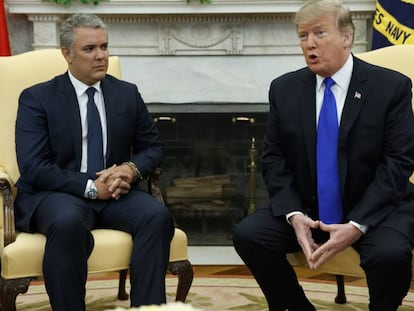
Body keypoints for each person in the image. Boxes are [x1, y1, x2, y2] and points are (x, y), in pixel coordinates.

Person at [233, 0, 414, 310]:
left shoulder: (391, 87)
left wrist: (357, 224)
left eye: (319, 33)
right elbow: (273, 159)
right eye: (303, 36)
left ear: (347, 37)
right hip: (309, 206)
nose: (310, 44)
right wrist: (294, 213)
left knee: (390, 255)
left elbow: (398, 163)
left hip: (377, 207)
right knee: (249, 235)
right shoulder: (284, 89)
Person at [14, 13, 174, 310]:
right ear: (67, 54)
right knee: (67, 222)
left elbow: (153, 148)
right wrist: (90, 187)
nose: (101, 55)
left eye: (104, 46)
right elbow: (34, 166)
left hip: (115, 193)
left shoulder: (126, 93)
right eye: (90, 49)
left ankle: (148, 307)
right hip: (58, 194)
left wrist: (130, 169)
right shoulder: (37, 98)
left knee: (157, 216)